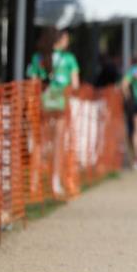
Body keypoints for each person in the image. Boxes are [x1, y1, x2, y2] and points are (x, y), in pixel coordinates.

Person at [26, 26, 80, 197]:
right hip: (61, 104)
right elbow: (75, 84)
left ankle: (34, 182)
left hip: (42, 104)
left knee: (39, 143)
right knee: (58, 144)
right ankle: (55, 182)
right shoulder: (69, 58)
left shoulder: (38, 58)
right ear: (59, 40)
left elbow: (32, 83)